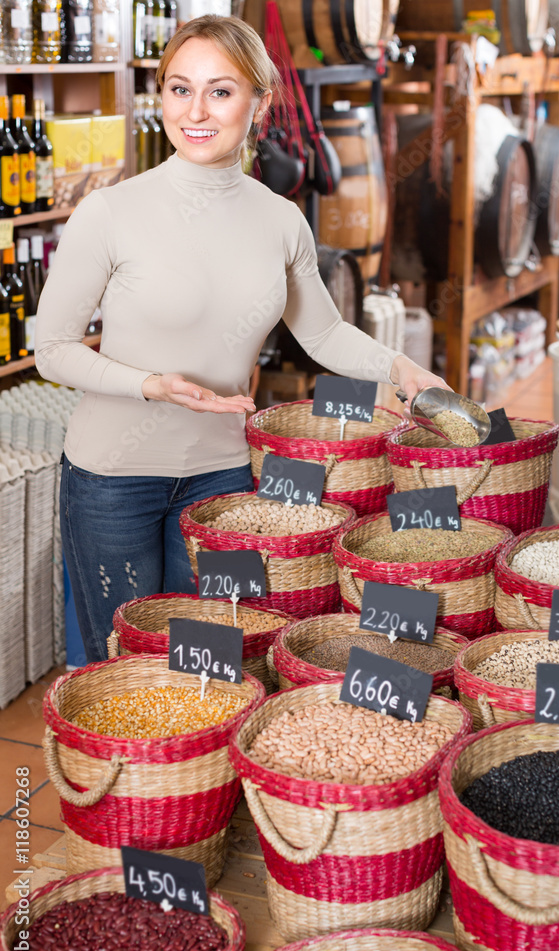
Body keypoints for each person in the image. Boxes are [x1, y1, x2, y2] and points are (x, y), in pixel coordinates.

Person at [35, 14, 448, 664]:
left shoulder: (280, 220)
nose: (195, 110)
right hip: (114, 476)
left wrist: (402, 368)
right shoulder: (111, 212)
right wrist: (149, 384)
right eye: (179, 88)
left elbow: (324, 331)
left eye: (220, 91)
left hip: (222, 476)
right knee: (120, 668)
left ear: (259, 102)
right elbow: (50, 347)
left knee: (205, 664)